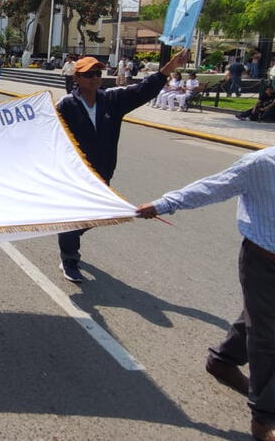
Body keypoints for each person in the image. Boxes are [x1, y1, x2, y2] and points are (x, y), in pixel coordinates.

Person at [134, 95, 275, 441]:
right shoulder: (261, 165)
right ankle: (266, 419)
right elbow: (211, 188)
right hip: (262, 262)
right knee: (267, 340)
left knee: (261, 322)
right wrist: (162, 204)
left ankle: (222, 360)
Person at [55, 49, 189, 283]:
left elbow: (143, 90)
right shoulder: (65, 105)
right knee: (74, 218)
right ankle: (69, 259)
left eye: (98, 73)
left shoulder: (112, 100)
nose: (96, 78)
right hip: (75, 176)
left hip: (103, 173)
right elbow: (48, 138)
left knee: (98, 216)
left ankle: (68, 232)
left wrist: (170, 66)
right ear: (76, 78)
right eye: (89, 74)